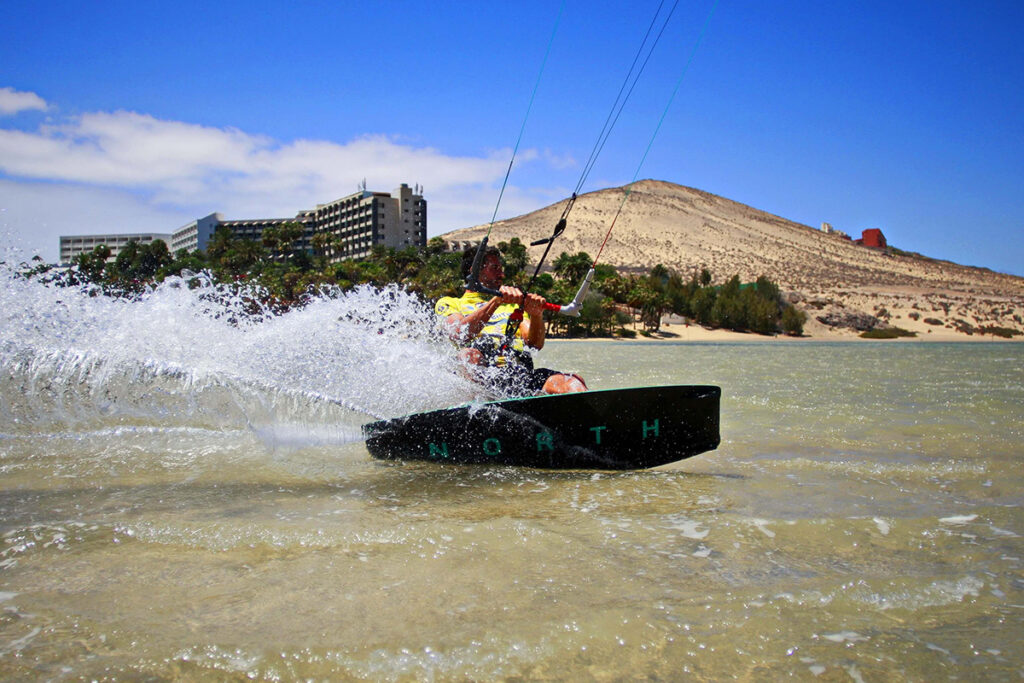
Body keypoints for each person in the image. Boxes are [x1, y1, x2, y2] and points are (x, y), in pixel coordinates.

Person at [435, 246, 587, 397]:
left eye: (501, 268)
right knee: (468, 355)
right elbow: (458, 333)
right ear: (473, 270)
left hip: (518, 375)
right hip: (482, 378)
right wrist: (495, 302)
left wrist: (536, 315)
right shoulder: (451, 303)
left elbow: (535, 344)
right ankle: (481, 407)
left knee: (573, 382)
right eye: (494, 268)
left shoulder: (513, 306)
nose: (502, 274)